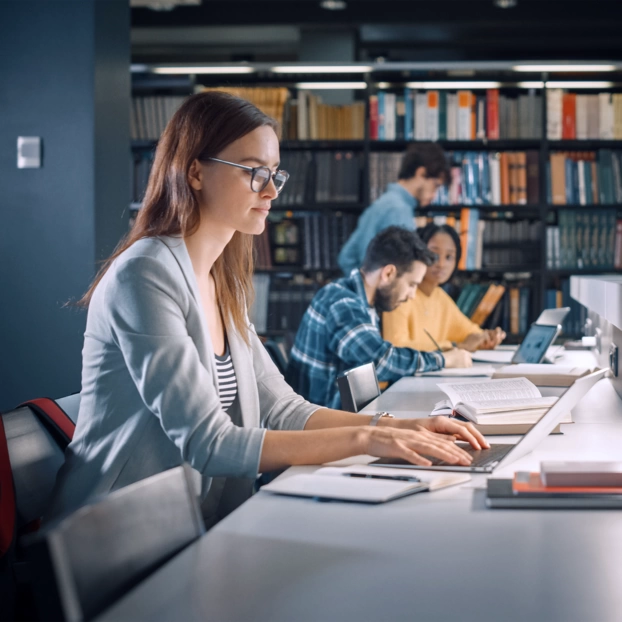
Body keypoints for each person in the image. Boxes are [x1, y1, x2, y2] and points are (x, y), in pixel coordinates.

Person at [46, 93, 487, 528]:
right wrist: (369, 438)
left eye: (275, 173)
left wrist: (401, 427)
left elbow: (285, 410)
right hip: (113, 540)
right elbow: (208, 442)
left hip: (192, 524)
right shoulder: (144, 274)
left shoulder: (222, 281)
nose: (272, 190)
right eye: (255, 173)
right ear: (195, 172)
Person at [286, 226, 473, 410]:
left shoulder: (361, 301)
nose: (412, 295)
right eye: (411, 284)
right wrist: (443, 360)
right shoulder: (342, 303)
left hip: (344, 419)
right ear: (388, 273)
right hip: (322, 428)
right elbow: (379, 360)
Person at [383, 223, 506, 352]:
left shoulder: (440, 297)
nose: (441, 264)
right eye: (434, 255)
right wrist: (454, 347)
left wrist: (487, 338)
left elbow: (470, 333)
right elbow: (396, 347)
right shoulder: (400, 294)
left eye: (449, 257)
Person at [338, 142, 449, 275]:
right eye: (435, 185)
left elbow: (346, 257)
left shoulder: (385, 202)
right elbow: (399, 272)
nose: (434, 195)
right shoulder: (398, 210)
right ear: (421, 173)